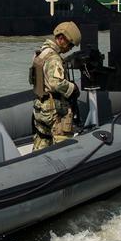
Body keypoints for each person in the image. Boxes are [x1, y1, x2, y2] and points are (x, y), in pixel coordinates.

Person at [30, 21, 82, 151]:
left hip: (39, 106)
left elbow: (33, 80)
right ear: (62, 38)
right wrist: (73, 88)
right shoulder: (54, 58)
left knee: (42, 142)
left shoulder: (40, 53)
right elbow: (56, 83)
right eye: (70, 44)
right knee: (63, 148)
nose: (70, 48)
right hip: (53, 109)